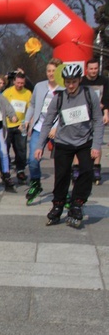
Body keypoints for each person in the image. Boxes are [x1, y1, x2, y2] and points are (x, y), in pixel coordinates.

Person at [35, 64, 104, 228]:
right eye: (67, 82)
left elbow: (98, 121)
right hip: (63, 142)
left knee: (87, 171)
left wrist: (96, 145)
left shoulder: (89, 95)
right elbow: (47, 123)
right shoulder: (58, 98)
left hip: (84, 141)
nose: (71, 85)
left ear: (80, 80)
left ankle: (77, 203)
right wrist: (40, 145)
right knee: (62, 175)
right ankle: (58, 204)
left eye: (74, 82)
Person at [24, 58, 63, 204]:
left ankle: (61, 191)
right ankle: (35, 183)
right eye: (48, 71)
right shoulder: (39, 87)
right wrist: (27, 120)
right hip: (40, 127)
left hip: (57, 129)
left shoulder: (64, 88)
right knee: (33, 159)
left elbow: (65, 110)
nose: (51, 74)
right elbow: (33, 104)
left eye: (53, 71)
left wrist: (56, 127)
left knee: (61, 163)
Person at [80, 57, 109, 185]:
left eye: (96, 69)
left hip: (98, 114)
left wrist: (106, 113)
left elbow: (107, 98)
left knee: (97, 140)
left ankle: (96, 169)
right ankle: (78, 169)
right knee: (81, 141)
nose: (93, 71)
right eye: (91, 69)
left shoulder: (104, 81)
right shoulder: (82, 81)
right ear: (87, 69)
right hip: (84, 115)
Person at [2, 72, 32, 183]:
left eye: (22, 83)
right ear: (14, 81)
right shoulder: (7, 92)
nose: (20, 85)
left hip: (21, 125)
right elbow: (2, 106)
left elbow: (30, 109)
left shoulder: (28, 93)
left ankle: (20, 170)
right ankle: (6, 170)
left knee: (21, 149)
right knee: (5, 148)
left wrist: (27, 123)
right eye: (18, 83)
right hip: (8, 125)